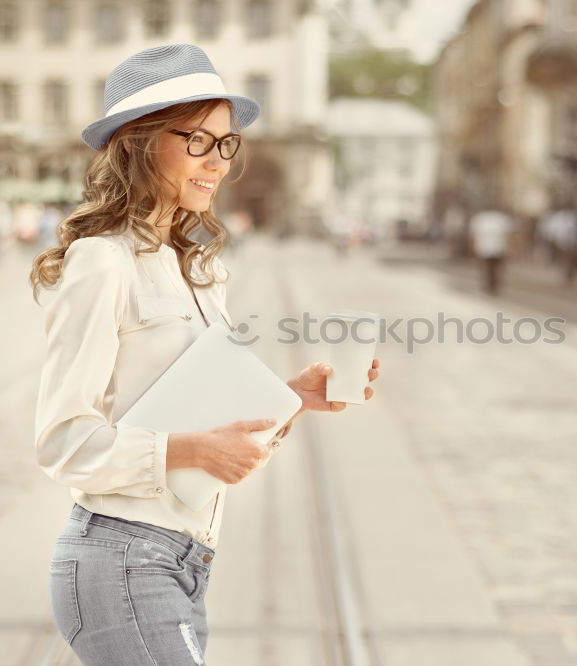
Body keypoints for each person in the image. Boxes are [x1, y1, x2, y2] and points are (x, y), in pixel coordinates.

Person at [28, 44, 382, 664]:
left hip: (185, 563)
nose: (217, 161)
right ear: (139, 143)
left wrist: (290, 401)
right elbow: (62, 443)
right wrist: (192, 451)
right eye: (197, 140)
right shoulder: (102, 262)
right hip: (121, 561)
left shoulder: (197, 271)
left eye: (226, 144)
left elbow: (199, 421)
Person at [469, 203, 513, 295]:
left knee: (492, 268)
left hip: (494, 248)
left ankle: (492, 285)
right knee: (491, 268)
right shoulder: (499, 218)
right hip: (490, 248)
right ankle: (491, 285)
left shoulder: (481, 218)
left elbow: (474, 235)